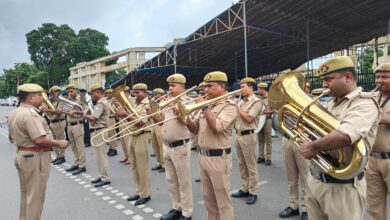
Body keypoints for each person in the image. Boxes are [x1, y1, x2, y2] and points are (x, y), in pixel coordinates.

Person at [298, 56, 379, 220]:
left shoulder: (364, 103)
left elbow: (345, 135)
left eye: (328, 79)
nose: (324, 85)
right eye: (323, 80)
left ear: (348, 77)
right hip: (316, 181)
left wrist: (313, 147)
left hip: (343, 188)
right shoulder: (331, 103)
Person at [8, 83, 68, 220]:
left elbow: (11, 137)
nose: (42, 98)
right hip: (34, 157)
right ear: (30, 98)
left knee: (26, 194)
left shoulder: (15, 112)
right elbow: (40, 139)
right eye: (39, 95)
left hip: (22, 154)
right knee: (36, 197)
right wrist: (60, 142)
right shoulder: (31, 114)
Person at [186, 71, 239, 220]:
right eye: (206, 86)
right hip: (203, 157)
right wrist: (185, 118)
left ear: (222, 86)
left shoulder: (230, 106)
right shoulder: (208, 104)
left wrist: (204, 107)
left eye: (210, 86)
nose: (206, 90)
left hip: (219, 159)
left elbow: (217, 127)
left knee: (222, 202)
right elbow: (194, 129)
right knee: (209, 200)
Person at [154, 74, 193, 220]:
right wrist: (152, 114)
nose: (169, 88)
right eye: (169, 85)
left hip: (180, 146)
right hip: (167, 146)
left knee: (183, 182)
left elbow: (188, 123)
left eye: (173, 85)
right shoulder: (167, 101)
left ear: (182, 86)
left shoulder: (188, 102)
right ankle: (176, 208)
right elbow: (160, 121)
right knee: (171, 180)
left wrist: (175, 108)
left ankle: (187, 212)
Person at [116, 83, 152, 206]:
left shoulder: (148, 104)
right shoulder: (134, 103)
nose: (135, 95)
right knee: (134, 167)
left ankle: (145, 194)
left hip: (142, 135)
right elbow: (130, 119)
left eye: (138, 93)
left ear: (145, 92)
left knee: (142, 167)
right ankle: (138, 191)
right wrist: (122, 113)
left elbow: (142, 122)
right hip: (133, 135)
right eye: (134, 92)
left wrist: (125, 114)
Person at [231, 77, 262, 205]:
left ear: (250, 87)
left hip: (248, 135)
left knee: (251, 166)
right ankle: (245, 187)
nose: (241, 89)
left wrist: (236, 107)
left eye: (243, 87)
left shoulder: (257, 101)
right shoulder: (241, 101)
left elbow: (249, 118)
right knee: (241, 164)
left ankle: (253, 192)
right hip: (238, 135)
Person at [366, 62, 390, 220]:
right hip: (372, 158)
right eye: (377, 77)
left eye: (385, 77)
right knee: (374, 205)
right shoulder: (371, 97)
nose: (379, 80)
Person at [84, 84, 112, 187]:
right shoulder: (100, 102)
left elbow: (93, 118)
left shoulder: (101, 103)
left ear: (98, 93)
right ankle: (102, 175)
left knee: (101, 156)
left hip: (99, 130)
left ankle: (105, 178)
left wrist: (84, 115)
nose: (92, 96)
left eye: (93, 93)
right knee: (98, 156)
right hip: (97, 130)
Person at [42, 85, 67, 165]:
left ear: (58, 92)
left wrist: (47, 109)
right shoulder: (51, 101)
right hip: (52, 122)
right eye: (51, 93)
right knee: (53, 141)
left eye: (53, 93)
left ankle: (62, 157)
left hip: (59, 122)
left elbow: (59, 112)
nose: (52, 95)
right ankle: (58, 156)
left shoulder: (61, 100)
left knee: (59, 140)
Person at [65, 84, 87, 175]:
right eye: (68, 92)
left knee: (80, 146)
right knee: (73, 146)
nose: (69, 93)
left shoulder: (81, 99)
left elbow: (86, 112)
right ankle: (77, 163)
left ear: (76, 91)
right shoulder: (68, 100)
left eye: (71, 91)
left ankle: (82, 165)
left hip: (77, 124)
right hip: (69, 125)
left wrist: (75, 112)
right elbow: (65, 110)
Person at [256, 82, 274, 166]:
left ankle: (268, 158)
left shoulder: (271, 98)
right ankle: (261, 156)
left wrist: (267, 112)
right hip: (260, 120)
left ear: (263, 89)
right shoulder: (258, 98)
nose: (257, 90)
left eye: (259, 89)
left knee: (268, 139)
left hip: (267, 119)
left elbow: (275, 109)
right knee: (260, 139)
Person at [150, 88, 165, 172]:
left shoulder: (164, 103)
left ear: (162, 95)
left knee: (161, 145)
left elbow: (162, 117)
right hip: (154, 124)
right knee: (155, 145)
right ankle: (159, 162)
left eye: (156, 94)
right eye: (154, 94)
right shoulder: (153, 102)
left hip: (161, 125)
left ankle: (164, 164)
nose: (154, 96)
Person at [119, 85, 131, 165]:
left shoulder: (131, 100)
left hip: (128, 122)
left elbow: (131, 112)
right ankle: (126, 156)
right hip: (121, 121)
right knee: (123, 141)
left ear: (127, 92)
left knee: (127, 141)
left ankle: (130, 157)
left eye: (123, 93)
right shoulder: (121, 101)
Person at [104, 88, 118, 157]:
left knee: (112, 134)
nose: (108, 94)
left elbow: (112, 110)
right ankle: (110, 147)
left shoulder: (114, 101)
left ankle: (114, 149)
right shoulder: (106, 100)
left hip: (111, 118)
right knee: (108, 135)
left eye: (110, 93)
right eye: (107, 93)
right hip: (106, 119)